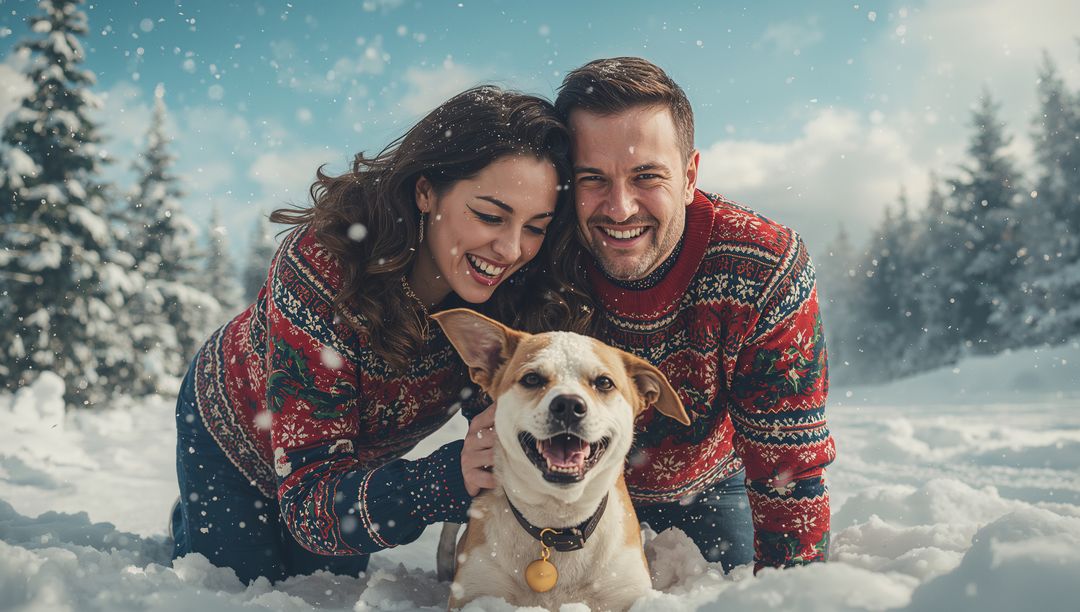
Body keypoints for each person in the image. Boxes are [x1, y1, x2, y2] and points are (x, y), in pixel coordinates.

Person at [170, 86, 589, 584]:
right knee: (242, 585)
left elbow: (506, 426)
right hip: (235, 431)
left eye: (535, 226)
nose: (510, 248)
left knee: (324, 587)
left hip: (348, 464)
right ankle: (195, 523)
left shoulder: (515, 295)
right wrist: (440, 481)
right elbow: (311, 511)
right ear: (425, 190)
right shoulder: (325, 272)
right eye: (490, 216)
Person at [552, 57, 836, 573]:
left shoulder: (764, 266)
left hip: (704, 487)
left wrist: (792, 593)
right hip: (561, 485)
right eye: (593, 179)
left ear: (688, 176)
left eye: (646, 177)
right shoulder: (538, 252)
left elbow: (788, 460)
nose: (619, 208)